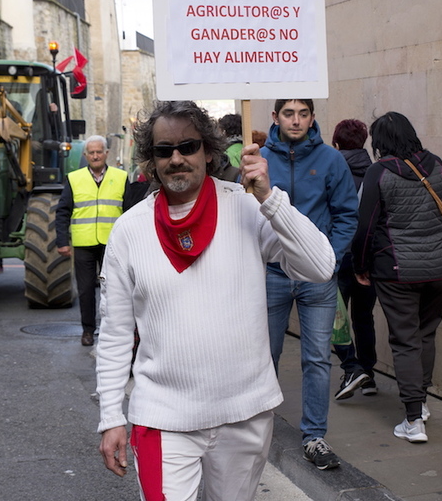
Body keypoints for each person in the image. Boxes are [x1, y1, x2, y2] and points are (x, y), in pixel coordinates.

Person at [97, 100, 335, 501]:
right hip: (162, 417)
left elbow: (320, 265)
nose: (176, 158)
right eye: (163, 150)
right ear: (151, 160)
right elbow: (116, 333)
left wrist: (270, 199)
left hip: (245, 414)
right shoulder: (128, 231)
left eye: (188, 146)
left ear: (209, 151)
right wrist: (110, 417)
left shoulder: (247, 206)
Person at [261, 99, 359, 470]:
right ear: (276, 117)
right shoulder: (262, 160)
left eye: (303, 114)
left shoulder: (331, 161)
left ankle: (314, 436)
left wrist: (328, 258)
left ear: (313, 118)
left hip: (317, 279)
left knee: (317, 358)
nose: (297, 120)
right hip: (273, 274)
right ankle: (260, 427)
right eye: (289, 113)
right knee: (265, 355)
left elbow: (347, 214)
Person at [351, 111, 442, 443]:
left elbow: (365, 227)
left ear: (380, 142)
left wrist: (361, 265)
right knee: (426, 335)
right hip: (440, 268)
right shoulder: (437, 164)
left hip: (397, 271)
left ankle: (413, 421)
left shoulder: (378, 172)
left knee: (405, 340)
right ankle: (421, 404)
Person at [55, 135, 129, 346]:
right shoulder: (74, 178)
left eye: (99, 152)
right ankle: (88, 330)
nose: (95, 156)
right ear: (85, 155)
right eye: (91, 152)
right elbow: (62, 212)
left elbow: (130, 211)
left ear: (106, 153)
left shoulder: (121, 177)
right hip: (84, 244)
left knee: (115, 289)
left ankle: (113, 331)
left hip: (113, 245)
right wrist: (62, 241)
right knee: (86, 290)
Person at [330, 119, 379, 399]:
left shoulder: (333, 170)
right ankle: (368, 374)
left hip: (339, 255)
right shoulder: (374, 171)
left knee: (334, 318)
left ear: (336, 143)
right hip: (366, 258)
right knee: (363, 317)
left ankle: (351, 367)